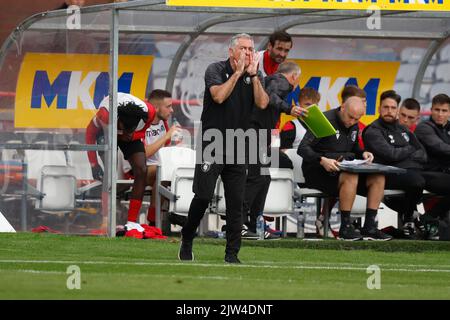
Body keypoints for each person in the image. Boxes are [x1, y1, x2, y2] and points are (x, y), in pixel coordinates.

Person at [178, 33, 269, 263]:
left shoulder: (255, 75)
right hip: (213, 140)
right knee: (203, 195)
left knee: (236, 201)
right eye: (244, 48)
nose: (249, 53)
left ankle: (232, 254)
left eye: (251, 49)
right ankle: (187, 236)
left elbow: (263, 103)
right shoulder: (215, 70)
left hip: (238, 142)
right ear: (232, 51)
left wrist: (254, 76)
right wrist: (238, 73)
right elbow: (218, 97)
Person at [298, 96, 391, 241]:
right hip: (317, 170)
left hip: (342, 170)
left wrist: (363, 153)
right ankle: (345, 227)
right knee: (350, 175)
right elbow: (303, 148)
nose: (352, 122)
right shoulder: (324, 119)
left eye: (357, 119)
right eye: (350, 117)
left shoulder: (353, 124)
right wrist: (322, 160)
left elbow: (353, 147)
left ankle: (370, 227)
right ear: (342, 108)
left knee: (378, 177)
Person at [242, 61, 306, 239]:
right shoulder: (281, 81)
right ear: (294, 76)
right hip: (252, 134)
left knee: (263, 178)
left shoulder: (272, 80)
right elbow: (271, 96)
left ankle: (254, 223)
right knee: (256, 178)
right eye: (298, 79)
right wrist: (289, 108)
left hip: (257, 135)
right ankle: (238, 222)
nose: (297, 84)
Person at [362, 90, 428, 239]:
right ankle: (410, 217)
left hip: (408, 171)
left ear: (397, 110)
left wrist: (402, 154)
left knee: (433, 180)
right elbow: (390, 155)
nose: (389, 111)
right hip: (384, 175)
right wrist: (410, 149)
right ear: (379, 108)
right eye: (385, 107)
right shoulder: (373, 130)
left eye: (393, 108)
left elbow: (423, 154)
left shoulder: (403, 129)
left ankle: (424, 218)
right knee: (417, 181)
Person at [85, 92, 154, 224]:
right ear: (119, 121)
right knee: (110, 169)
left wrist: (130, 135)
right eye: (124, 128)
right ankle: (105, 220)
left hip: (131, 135)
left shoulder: (148, 112)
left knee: (141, 170)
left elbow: (142, 131)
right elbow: (90, 132)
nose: (126, 132)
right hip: (108, 132)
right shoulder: (105, 115)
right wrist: (93, 163)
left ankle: (132, 222)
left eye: (130, 129)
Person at [143, 89, 183, 226]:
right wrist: (167, 136)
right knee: (163, 171)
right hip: (139, 169)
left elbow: (164, 149)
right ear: (155, 108)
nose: (171, 110)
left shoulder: (163, 123)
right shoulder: (142, 123)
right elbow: (144, 154)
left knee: (177, 171)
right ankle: (155, 219)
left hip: (157, 168)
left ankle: (174, 214)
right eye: (168, 106)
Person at [415, 93, 450, 238]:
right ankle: (428, 217)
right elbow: (440, 147)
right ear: (431, 110)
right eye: (437, 110)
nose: (440, 114)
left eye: (444, 111)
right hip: (427, 174)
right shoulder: (424, 127)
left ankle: (430, 218)